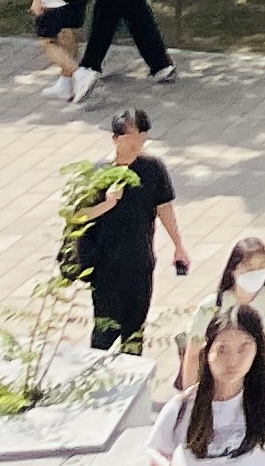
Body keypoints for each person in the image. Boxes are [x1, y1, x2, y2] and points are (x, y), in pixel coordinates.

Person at [68, 109, 189, 352]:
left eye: (141, 137)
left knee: (135, 333)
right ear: (115, 138)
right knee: (104, 331)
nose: (137, 143)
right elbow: (76, 217)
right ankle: (96, 370)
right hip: (105, 267)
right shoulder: (97, 174)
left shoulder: (153, 169)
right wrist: (107, 203)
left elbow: (164, 207)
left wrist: (178, 246)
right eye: (131, 137)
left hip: (140, 263)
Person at [154, 303, 265, 463]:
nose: (232, 361)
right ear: (207, 352)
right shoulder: (182, 408)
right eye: (222, 350)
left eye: (243, 348)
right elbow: (158, 456)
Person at [209, 239, 265, 399]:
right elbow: (194, 349)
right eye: (249, 267)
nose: (256, 273)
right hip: (222, 374)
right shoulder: (215, 303)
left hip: (259, 371)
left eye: (261, 266)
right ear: (233, 269)